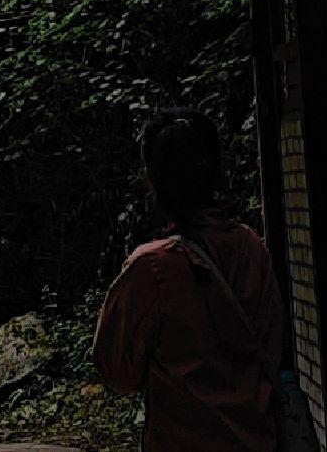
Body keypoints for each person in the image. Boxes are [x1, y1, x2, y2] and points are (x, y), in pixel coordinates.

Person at [91, 111, 290, 452]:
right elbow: (275, 344)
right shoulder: (251, 247)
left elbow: (116, 372)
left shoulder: (151, 268)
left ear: (154, 181)